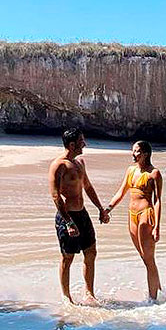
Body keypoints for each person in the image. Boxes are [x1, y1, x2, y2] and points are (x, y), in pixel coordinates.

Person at [48, 127, 110, 305]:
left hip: (82, 214)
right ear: (72, 144)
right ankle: (66, 297)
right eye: (82, 141)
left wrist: (100, 208)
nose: (85, 144)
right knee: (67, 257)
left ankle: (89, 293)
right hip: (67, 216)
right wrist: (68, 222)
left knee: (91, 252)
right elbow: (55, 195)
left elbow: (88, 187)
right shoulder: (59, 165)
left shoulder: (80, 162)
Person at [107, 139, 163, 301]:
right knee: (143, 257)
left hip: (146, 214)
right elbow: (121, 191)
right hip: (132, 215)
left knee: (148, 258)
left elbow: (158, 200)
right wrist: (108, 208)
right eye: (133, 150)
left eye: (137, 151)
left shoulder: (154, 173)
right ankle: (160, 291)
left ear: (145, 154)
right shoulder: (131, 170)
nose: (133, 154)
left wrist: (157, 226)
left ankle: (153, 300)